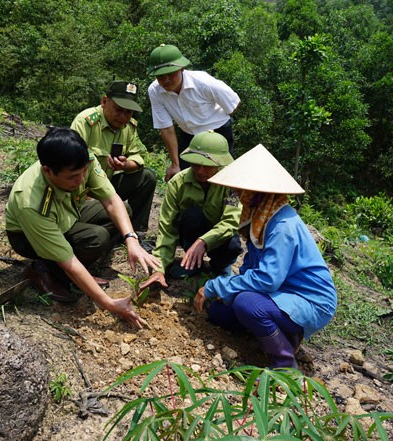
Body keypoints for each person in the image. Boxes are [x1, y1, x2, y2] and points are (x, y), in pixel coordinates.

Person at [193, 144, 337, 369]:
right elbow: (252, 267)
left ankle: (284, 363)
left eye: (242, 189)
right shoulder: (262, 217)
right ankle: (279, 334)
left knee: (246, 304)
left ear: (258, 191)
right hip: (280, 293)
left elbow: (267, 279)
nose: (238, 194)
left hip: (309, 299)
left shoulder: (282, 226)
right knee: (220, 313)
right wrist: (226, 290)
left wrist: (218, 286)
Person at [5, 127, 160, 328]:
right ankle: (43, 269)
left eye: (83, 173)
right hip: (27, 237)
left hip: (70, 213)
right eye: (72, 177)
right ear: (47, 171)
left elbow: (111, 199)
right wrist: (108, 303)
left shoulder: (84, 160)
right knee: (97, 239)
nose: (80, 180)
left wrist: (131, 239)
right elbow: (68, 260)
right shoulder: (31, 202)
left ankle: (80, 270)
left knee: (124, 210)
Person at [140, 131, 242, 292]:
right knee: (191, 216)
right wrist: (159, 268)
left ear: (219, 164)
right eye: (196, 164)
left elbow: (231, 222)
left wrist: (204, 241)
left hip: (220, 237)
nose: (200, 171)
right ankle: (193, 263)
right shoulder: (177, 184)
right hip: (189, 233)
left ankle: (221, 266)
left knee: (232, 243)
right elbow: (167, 229)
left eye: (207, 166)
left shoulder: (230, 185)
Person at [146, 44, 241, 182]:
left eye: (171, 74)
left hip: (218, 133)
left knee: (221, 178)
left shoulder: (204, 83)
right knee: (187, 178)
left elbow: (234, 103)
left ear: (182, 69)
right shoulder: (155, 91)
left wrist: (214, 119)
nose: (166, 80)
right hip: (189, 135)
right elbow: (166, 127)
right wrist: (174, 163)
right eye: (161, 76)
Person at [71, 80, 156, 233]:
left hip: (107, 186)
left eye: (128, 112)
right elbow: (72, 162)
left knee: (147, 177)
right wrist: (85, 196)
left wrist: (126, 165)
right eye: (118, 110)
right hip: (82, 190)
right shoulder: (86, 121)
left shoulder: (128, 127)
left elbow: (137, 155)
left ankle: (137, 232)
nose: (123, 117)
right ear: (104, 101)